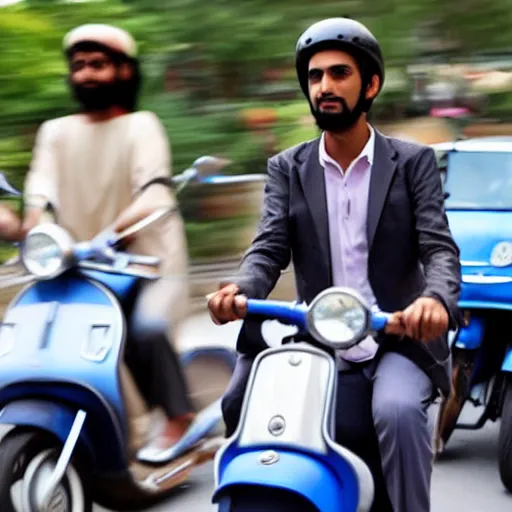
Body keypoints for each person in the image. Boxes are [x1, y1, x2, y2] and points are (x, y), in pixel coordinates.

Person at [207, 17, 462, 512]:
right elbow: (269, 246)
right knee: (240, 398)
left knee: (398, 412)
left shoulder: (412, 162)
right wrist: (238, 288)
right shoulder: (288, 167)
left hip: (397, 336)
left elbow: (438, 248)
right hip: (319, 331)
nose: (324, 86)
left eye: (339, 73)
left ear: (370, 85)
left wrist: (433, 301)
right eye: (315, 76)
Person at [2, 24, 195, 450]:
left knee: (144, 328)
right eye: (79, 66)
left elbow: (156, 192)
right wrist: (29, 225)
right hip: (78, 265)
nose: (87, 74)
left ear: (124, 71)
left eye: (98, 65)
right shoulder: (55, 131)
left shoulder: (142, 126)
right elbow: (41, 195)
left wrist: (114, 234)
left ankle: (178, 417)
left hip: (146, 263)